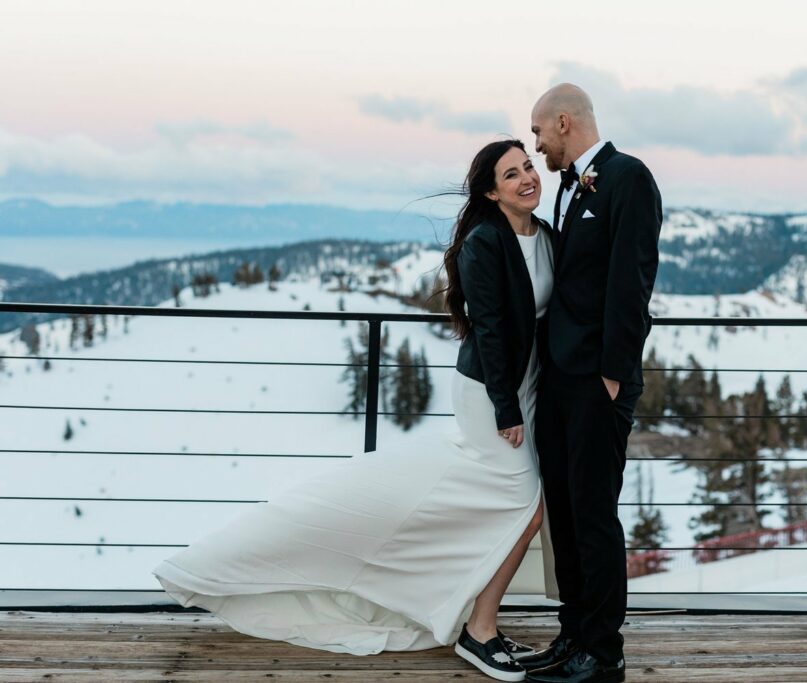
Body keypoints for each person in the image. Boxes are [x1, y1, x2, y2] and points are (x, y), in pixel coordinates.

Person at [153, 139, 557, 683]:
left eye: (528, 166)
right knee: (523, 505)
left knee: (504, 502)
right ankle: (478, 631)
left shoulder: (545, 237)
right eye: (512, 173)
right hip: (490, 392)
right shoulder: (485, 242)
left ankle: (468, 614)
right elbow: (488, 330)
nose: (527, 177)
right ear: (491, 190)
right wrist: (506, 407)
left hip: (526, 385)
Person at [520, 84, 662, 683]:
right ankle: (573, 632)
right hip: (561, 379)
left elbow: (632, 281)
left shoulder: (629, 177)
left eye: (538, 134)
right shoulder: (569, 186)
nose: (536, 145)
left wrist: (611, 376)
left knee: (595, 514)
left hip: (596, 383)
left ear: (563, 121)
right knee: (568, 513)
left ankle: (603, 653)